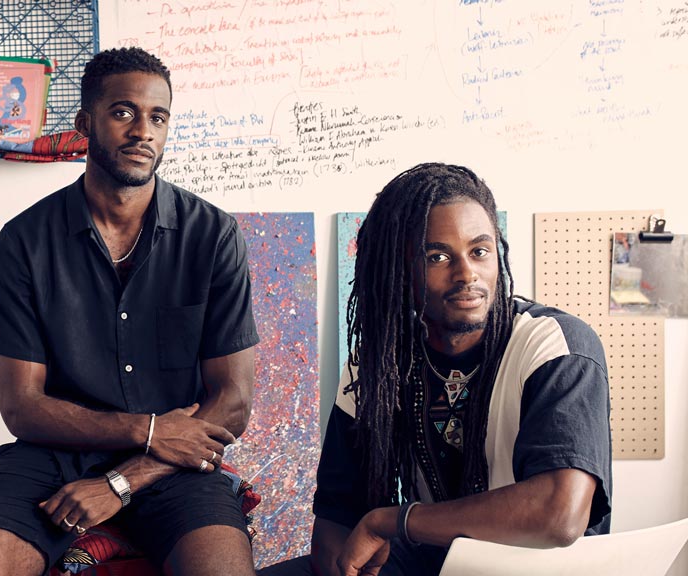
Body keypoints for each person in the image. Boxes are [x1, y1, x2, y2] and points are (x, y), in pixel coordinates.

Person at [0, 47, 259, 576]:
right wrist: (148, 429)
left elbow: (233, 401)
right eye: (123, 112)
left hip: (172, 466)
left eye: (158, 117)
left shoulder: (213, 236)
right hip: (50, 458)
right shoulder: (26, 240)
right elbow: (21, 406)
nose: (143, 131)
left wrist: (124, 479)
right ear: (85, 123)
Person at [261, 163, 612, 576]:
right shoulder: (378, 362)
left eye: (479, 251)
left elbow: (559, 515)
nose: (467, 274)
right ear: (398, 270)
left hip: (538, 566)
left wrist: (395, 520)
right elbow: (338, 514)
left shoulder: (554, 345)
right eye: (437, 256)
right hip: (436, 560)